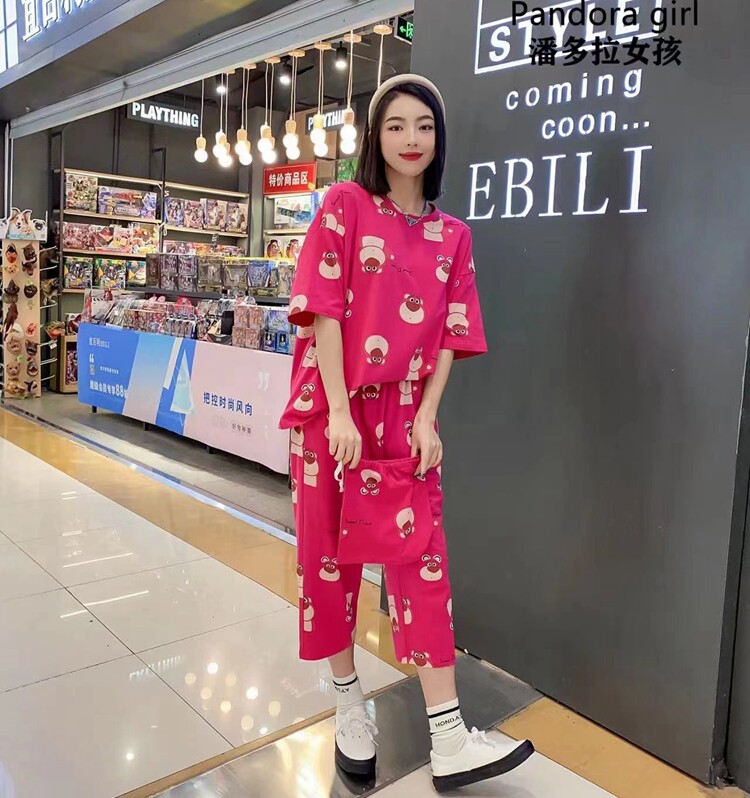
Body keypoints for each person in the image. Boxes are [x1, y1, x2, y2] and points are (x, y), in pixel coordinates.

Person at [279, 74, 534, 793]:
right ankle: (347, 708)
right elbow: (324, 310)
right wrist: (337, 412)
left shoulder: (453, 236)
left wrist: (426, 415)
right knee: (327, 563)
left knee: (422, 561)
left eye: (423, 125)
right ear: (376, 137)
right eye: (395, 125)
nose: (411, 139)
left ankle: (448, 736)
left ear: (438, 137)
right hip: (332, 410)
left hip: (404, 417)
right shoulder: (346, 204)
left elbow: (452, 332)